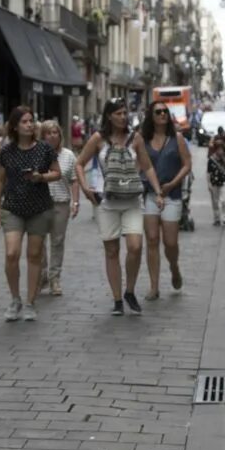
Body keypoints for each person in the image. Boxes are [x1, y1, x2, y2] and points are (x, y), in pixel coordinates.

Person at [75, 97, 165, 316]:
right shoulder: (98, 139)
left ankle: (130, 290)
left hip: (133, 200)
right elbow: (79, 163)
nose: (123, 117)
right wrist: (86, 189)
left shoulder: (135, 139)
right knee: (112, 250)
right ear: (109, 116)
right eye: (118, 113)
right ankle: (117, 299)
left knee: (135, 247)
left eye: (125, 113)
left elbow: (147, 166)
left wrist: (158, 191)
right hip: (107, 202)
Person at [0, 106, 61, 322]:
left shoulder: (44, 149)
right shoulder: (7, 151)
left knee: (34, 255)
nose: (30, 124)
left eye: (31, 121)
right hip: (12, 207)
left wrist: (41, 177)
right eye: (24, 121)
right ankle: (15, 299)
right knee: (12, 253)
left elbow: (57, 173)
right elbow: (0, 180)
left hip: (39, 208)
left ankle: (30, 302)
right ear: (15, 126)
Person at [140, 100, 192, 300]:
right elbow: (142, 166)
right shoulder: (144, 139)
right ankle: (154, 286)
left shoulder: (176, 138)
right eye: (158, 112)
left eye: (165, 112)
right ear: (151, 116)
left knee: (170, 242)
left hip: (172, 195)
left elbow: (187, 165)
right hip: (151, 195)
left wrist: (173, 183)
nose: (162, 115)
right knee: (152, 239)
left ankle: (174, 267)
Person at [38, 120, 80, 296]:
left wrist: (75, 202)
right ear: (43, 136)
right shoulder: (36, 153)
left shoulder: (68, 155)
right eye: (48, 133)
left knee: (57, 241)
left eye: (55, 132)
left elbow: (74, 179)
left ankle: (55, 278)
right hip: (39, 203)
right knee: (38, 242)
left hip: (61, 203)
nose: (52, 136)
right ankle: (42, 275)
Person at [207, 134, 225, 227]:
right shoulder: (211, 159)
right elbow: (208, 173)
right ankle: (217, 218)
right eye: (218, 148)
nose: (220, 150)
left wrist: (223, 158)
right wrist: (209, 184)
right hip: (214, 183)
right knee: (215, 202)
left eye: (221, 148)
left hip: (224, 182)